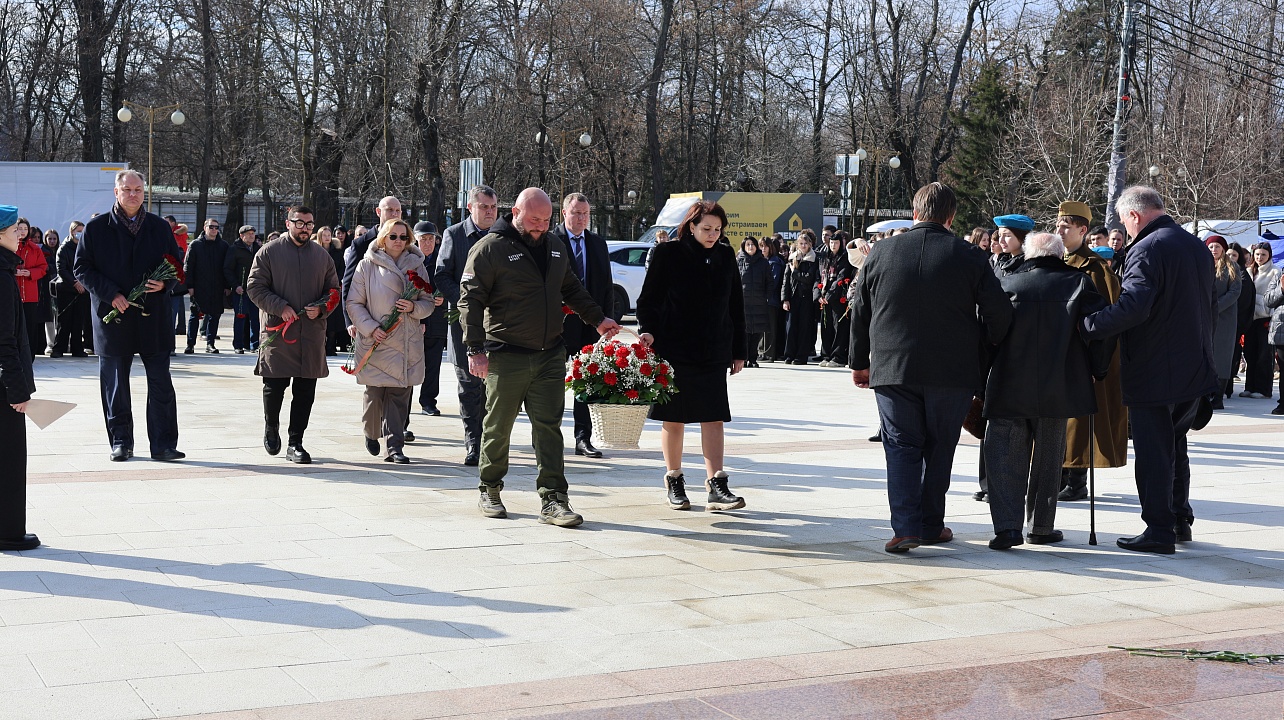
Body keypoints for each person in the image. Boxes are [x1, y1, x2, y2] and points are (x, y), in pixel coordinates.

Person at [849, 182, 1012, 553]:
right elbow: (999, 314)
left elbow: (861, 310)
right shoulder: (969, 255)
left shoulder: (881, 252)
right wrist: (984, 351)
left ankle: (905, 527)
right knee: (941, 446)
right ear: (951, 217)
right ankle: (930, 524)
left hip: (893, 368)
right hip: (952, 371)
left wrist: (859, 363)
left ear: (914, 212)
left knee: (901, 447)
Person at [459, 188, 619, 527]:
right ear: (515, 211)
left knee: (549, 429)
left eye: (546, 221)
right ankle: (489, 488)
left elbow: (572, 289)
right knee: (497, 427)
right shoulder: (490, 249)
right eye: (534, 220)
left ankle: (554, 499)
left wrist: (599, 320)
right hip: (506, 354)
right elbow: (469, 302)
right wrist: (474, 349)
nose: (540, 227)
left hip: (549, 354)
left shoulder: (555, 246)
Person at [1081, 185, 1217, 554]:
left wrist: (1089, 325)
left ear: (1135, 216)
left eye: (1124, 221)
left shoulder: (1146, 249)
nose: (1124, 228)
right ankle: (1178, 520)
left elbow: (1134, 307)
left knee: (1155, 452)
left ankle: (1158, 530)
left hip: (1156, 369)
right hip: (1194, 367)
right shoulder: (1194, 246)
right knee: (1176, 446)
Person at [982, 232, 1109, 549]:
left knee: (1005, 456)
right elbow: (1102, 329)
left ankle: (1008, 528)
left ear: (1028, 254)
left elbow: (986, 328)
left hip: (1009, 382)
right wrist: (1097, 369)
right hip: (1059, 383)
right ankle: (1041, 526)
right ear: (1058, 254)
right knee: (1049, 457)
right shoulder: (1077, 282)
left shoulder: (1007, 282)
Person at [637, 201, 747, 511]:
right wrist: (649, 330)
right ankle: (674, 479)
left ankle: (717, 484)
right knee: (675, 417)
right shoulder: (669, 253)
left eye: (718, 229)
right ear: (692, 227)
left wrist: (739, 350)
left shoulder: (726, 255)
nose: (713, 234)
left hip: (714, 348)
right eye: (707, 229)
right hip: (675, 348)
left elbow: (735, 305)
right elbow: (649, 300)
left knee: (714, 416)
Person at [73, 169, 185, 462]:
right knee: (115, 384)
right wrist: (111, 294)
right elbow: (82, 268)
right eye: (127, 190)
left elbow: (175, 264)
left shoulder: (160, 228)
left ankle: (163, 444)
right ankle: (121, 441)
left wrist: (166, 283)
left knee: (161, 382)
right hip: (114, 316)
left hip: (153, 316)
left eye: (138, 190)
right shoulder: (96, 228)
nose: (133, 195)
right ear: (116, 192)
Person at [247, 206, 340, 464]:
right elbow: (254, 287)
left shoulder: (322, 256)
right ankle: (271, 426)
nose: (306, 228)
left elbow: (334, 291)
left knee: (305, 390)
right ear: (288, 223)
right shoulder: (269, 252)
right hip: (279, 333)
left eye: (310, 224)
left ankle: (295, 442)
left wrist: (321, 308)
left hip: (310, 334)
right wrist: (280, 307)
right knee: (274, 386)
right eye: (300, 223)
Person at [346, 219, 438, 463]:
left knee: (399, 396)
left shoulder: (417, 265)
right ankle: (371, 432)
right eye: (393, 236)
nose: (398, 241)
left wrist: (413, 306)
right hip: (377, 339)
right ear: (383, 238)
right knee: (374, 394)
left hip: (406, 341)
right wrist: (370, 328)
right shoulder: (367, 265)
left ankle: (395, 447)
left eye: (403, 237)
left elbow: (428, 302)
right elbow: (354, 303)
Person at [1053, 201, 1127, 501]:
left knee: (1080, 421)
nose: (1058, 230)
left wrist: (1098, 365)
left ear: (1083, 231)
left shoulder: (1094, 268)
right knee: (1060, 420)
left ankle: (1077, 479)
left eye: (1065, 227)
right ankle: (1058, 475)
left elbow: (1105, 321)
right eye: (1057, 225)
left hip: (1083, 358)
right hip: (1057, 357)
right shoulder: (1056, 260)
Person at [436, 185, 499, 466]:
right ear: (471, 207)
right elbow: (442, 276)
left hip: (497, 324)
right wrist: (465, 302)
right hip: (464, 324)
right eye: (484, 207)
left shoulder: (502, 236)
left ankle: (490, 440)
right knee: (469, 385)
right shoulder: (454, 234)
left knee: (492, 387)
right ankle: (473, 443)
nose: (489, 212)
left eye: (494, 207)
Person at [553, 193, 615, 458]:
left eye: (585, 214)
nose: (581, 218)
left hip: (590, 326)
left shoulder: (597, 243)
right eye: (576, 213)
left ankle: (583, 438)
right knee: (552, 382)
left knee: (585, 381)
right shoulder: (551, 240)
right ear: (564, 213)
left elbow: (606, 286)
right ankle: (547, 436)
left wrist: (606, 321)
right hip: (557, 324)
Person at [0, 205, 40, 551]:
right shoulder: (1, 276)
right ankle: (9, 531)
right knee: (9, 459)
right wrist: (17, 388)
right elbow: (4, 340)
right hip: (3, 386)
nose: (20, 234)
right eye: (14, 230)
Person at [342, 196, 401, 324]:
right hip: (367, 318)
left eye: (398, 210)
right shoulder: (361, 244)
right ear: (378, 212)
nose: (395, 214)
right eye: (390, 210)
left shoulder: (405, 242)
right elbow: (349, 284)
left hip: (400, 319)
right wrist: (350, 321)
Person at [413, 221, 447, 415]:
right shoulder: (410, 259)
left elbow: (451, 279)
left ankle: (428, 401)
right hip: (414, 318)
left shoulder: (442, 259)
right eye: (423, 239)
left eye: (431, 239)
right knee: (409, 363)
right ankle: (403, 403)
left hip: (436, 319)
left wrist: (444, 295)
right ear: (416, 240)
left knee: (433, 363)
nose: (427, 243)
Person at [1204, 235, 1242, 410]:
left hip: (1224, 318)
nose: (1214, 250)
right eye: (1211, 247)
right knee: (1205, 354)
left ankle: (1218, 396)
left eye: (1217, 247)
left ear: (1223, 249)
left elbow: (1234, 292)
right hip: (1203, 317)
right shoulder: (1202, 265)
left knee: (1222, 356)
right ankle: (1204, 394)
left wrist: (1215, 307)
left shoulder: (1232, 267)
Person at [183, 218, 229, 354]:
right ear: (205, 227)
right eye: (211, 227)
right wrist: (189, 286)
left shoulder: (223, 246)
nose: (214, 230)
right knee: (195, 315)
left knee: (215, 316)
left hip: (217, 286)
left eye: (216, 227)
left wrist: (227, 286)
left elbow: (227, 267)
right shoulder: (195, 245)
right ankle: (190, 344)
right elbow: (188, 266)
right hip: (199, 286)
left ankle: (210, 343)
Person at [1241, 242, 1280, 399]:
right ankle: (1250, 386)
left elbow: (1273, 297)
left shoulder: (1275, 272)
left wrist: (1255, 301)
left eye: (1263, 254)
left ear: (1269, 255)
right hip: (1250, 318)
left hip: (1266, 318)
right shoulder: (1249, 271)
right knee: (1250, 353)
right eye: (1257, 254)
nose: (1260, 257)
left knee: (1264, 355)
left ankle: (1263, 389)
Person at [50, 221, 92, 358]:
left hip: (82, 290)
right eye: (78, 231)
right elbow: (61, 269)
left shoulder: (85, 247)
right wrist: (75, 283)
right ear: (72, 231)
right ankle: (58, 348)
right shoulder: (64, 248)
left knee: (78, 321)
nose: (80, 234)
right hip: (66, 288)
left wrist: (83, 283)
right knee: (64, 320)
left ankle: (77, 348)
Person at [780, 229, 820, 364]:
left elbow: (809, 278)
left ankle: (801, 356)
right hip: (793, 298)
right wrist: (785, 299)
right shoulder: (792, 259)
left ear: (809, 244)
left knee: (804, 328)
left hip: (806, 298)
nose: (803, 246)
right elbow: (786, 281)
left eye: (805, 243)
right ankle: (789, 355)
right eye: (801, 243)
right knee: (790, 327)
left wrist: (795, 272)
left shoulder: (814, 259)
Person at [818, 230, 854, 367]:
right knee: (826, 328)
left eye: (836, 243)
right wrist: (819, 295)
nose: (833, 245)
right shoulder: (824, 258)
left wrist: (829, 296)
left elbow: (841, 278)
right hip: (824, 298)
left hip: (838, 299)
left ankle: (838, 357)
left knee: (839, 328)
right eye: (831, 243)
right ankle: (826, 355)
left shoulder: (844, 258)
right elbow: (818, 277)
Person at [223, 225, 262, 354]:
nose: (252, 236)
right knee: (240, 317)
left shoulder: (258, 248)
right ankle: (238, 345)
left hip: (255, 290)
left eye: (253, 233)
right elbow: (228, 269)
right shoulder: (234, 249)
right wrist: (235, 285)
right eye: (249, 234)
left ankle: (254, 345)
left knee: (255, 318)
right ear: (241, 236)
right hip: (240, 290)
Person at [12, 218, 47, 361]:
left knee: (30, 326)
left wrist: (30, 273)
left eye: (25, 229)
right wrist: (13, 271)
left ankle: (29, 357)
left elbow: (43, 267)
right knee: (13, 326)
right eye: (20, 228)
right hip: (13, 293)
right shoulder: (9, 246)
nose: (22, 232)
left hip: (30, 294)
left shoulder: (35, 248)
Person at [737, 236, 771, 368]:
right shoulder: (739, 261)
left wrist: (766, 297)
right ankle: (743, 358)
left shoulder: (763, 263)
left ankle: (753, 358)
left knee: (756, 333)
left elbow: (769, 282)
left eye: (752, 244)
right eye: (748, 245)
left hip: (759, 303)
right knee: (744, 332)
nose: (750, 247)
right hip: (743, 303)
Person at [1228, 242, 1255, 397]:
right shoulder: (1223, 271)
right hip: (1223, 323)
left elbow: (1242, 304)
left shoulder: (1243, 276)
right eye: (1229, 255)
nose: (1231, 258)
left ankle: (1227, 387)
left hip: (1235, 324)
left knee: (1232, 356)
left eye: (1234, 255)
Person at [323, 225, 349, 355]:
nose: (327, 238)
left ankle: (331, 346)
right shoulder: (315, 251)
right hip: (318, 288)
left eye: (329, 235)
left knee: (333, 319)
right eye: (324, 235)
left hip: (333, 287)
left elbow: (342, 270)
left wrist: (335, 281)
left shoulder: (338, 252)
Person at [759, 237, 785, 362]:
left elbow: (773, 283)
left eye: (765, 246)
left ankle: (769, 354)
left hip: (771, 300)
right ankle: (762, 352)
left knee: (770, 329)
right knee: (762, 328)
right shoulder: (761, 261)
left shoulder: (775, 262)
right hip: (761, 300)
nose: (763, 249)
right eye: (761, 246)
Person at [1264, 272, 1284, 414]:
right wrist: (1281, 289)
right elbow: (1268, 300)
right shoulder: (1279, 276)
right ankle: (1283, 403)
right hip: (1281, 329)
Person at [39, 228, 58, 350]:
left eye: (54, 238)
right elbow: (45, 268)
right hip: (46, 287)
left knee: (57, 316)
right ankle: (50, 343)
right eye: (49, 238)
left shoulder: (60, 250)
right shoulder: (42, 251)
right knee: (49, 316)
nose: (52, 241)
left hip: (59, 287)